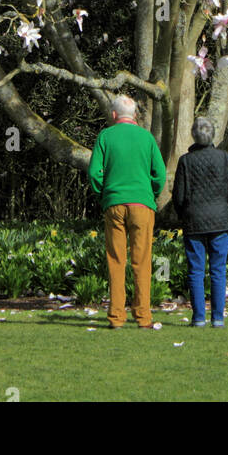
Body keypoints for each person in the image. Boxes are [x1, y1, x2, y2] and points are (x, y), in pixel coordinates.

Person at [88, 94, 167, 329]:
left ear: (113, 115)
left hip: (114, 203)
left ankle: (116, 316)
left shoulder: (105, 136)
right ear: (135, 115)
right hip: (142, 204)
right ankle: (143, 316)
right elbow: (160, 175)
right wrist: (150, 193)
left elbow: (94, 173)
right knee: (141, 261)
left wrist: (103, 194)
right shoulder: (147, 137)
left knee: (116, 260)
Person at [172, 117, 228, 328]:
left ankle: (199, 317)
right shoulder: (224, 157)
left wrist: (183, 214)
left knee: (196, 270)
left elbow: (179, 197)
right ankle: (218, 318)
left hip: (194, 220)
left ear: (193, 134)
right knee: (218, 270)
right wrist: (226, 208)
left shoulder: (185, 161)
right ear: (213, 134)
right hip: (220, 220)